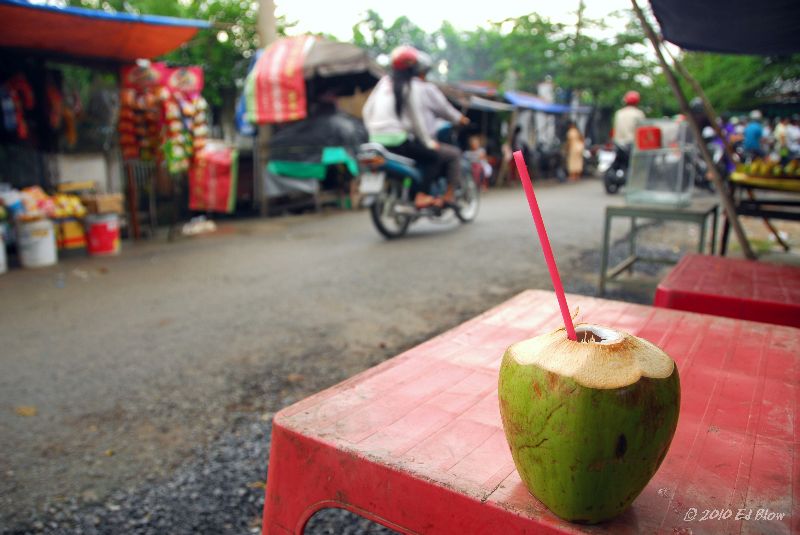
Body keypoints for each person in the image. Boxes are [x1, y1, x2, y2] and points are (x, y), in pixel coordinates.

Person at [362, 46, 443, 208]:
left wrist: (373, 131)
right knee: (434, 157)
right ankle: (422, 195)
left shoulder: (384, 82)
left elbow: (366, 111)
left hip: (375, 140)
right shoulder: (409, 86)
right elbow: (416, 120)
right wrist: (428, 142)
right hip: (397, 140)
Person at [414, 51, 470, 201]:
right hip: (418, 140)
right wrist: (461, 119)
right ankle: (447, 196)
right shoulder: (424, 89)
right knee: (451, 154)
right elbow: (445, 109)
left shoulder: (391, 86)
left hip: (392, 141)